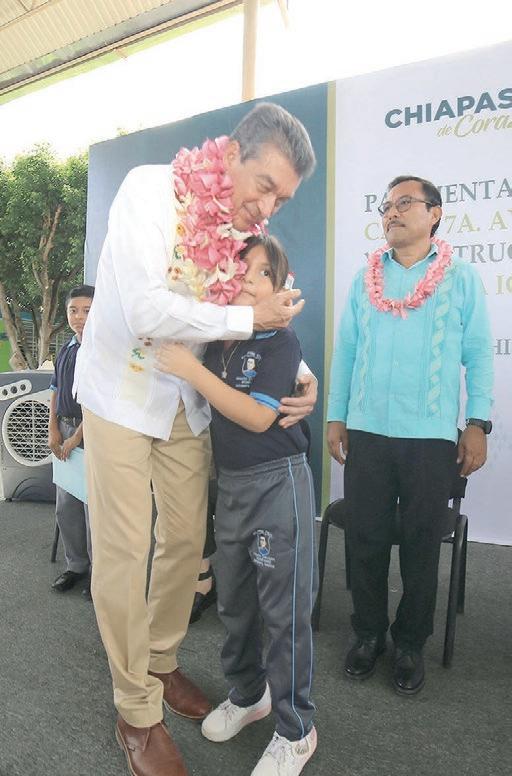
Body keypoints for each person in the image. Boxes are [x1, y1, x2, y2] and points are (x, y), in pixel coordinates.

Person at [74, 103, 317, 776]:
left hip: (184, 399)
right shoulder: (149, 190)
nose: (266, 208)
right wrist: (247, 319)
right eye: (264, 186)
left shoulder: (243, 230)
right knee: (125, 553)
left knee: (184, 541)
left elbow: (265, 316)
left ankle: (159, 659)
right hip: (121, 392)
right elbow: (145, 309)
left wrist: (301, 374)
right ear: (232, 154)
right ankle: (135, 709)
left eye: (282, 199)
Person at [157, 234, 317, 776]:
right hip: (230, 486)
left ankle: (296, 730)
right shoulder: (217, 337)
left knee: (283, 611)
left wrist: (189, 369)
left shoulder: (280, 342)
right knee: (235, 602)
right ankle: (249, 694)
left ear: (281, 286)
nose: (248, 279)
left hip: (278, 485)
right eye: (240, 268)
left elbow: (257, 416)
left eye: (263, 272)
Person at [327, 175, 493, 696]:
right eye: (386, 206)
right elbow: (346, 350)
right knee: (365, 539)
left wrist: (477, 422)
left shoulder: (461, 278)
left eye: (404, 203)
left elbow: (479, 354)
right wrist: (335, 416)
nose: (391, 213)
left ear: (434, 213)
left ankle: (410, 642)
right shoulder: (366, 278)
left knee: (421, 544)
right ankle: (368, 633)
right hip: (368, 431)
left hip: (430, 437)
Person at [48, 285, 94, 599]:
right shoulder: (66, 347)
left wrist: (78, 436)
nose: (79, 317)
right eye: (73, 310)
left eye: (87, 311)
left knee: (94, 509)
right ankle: (76, 566)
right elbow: (55, 390)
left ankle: (98, 573)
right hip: (64, 430)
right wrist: (54, 428)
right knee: (67, 504)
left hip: (91, 434)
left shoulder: (101, 350)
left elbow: (103, 401)